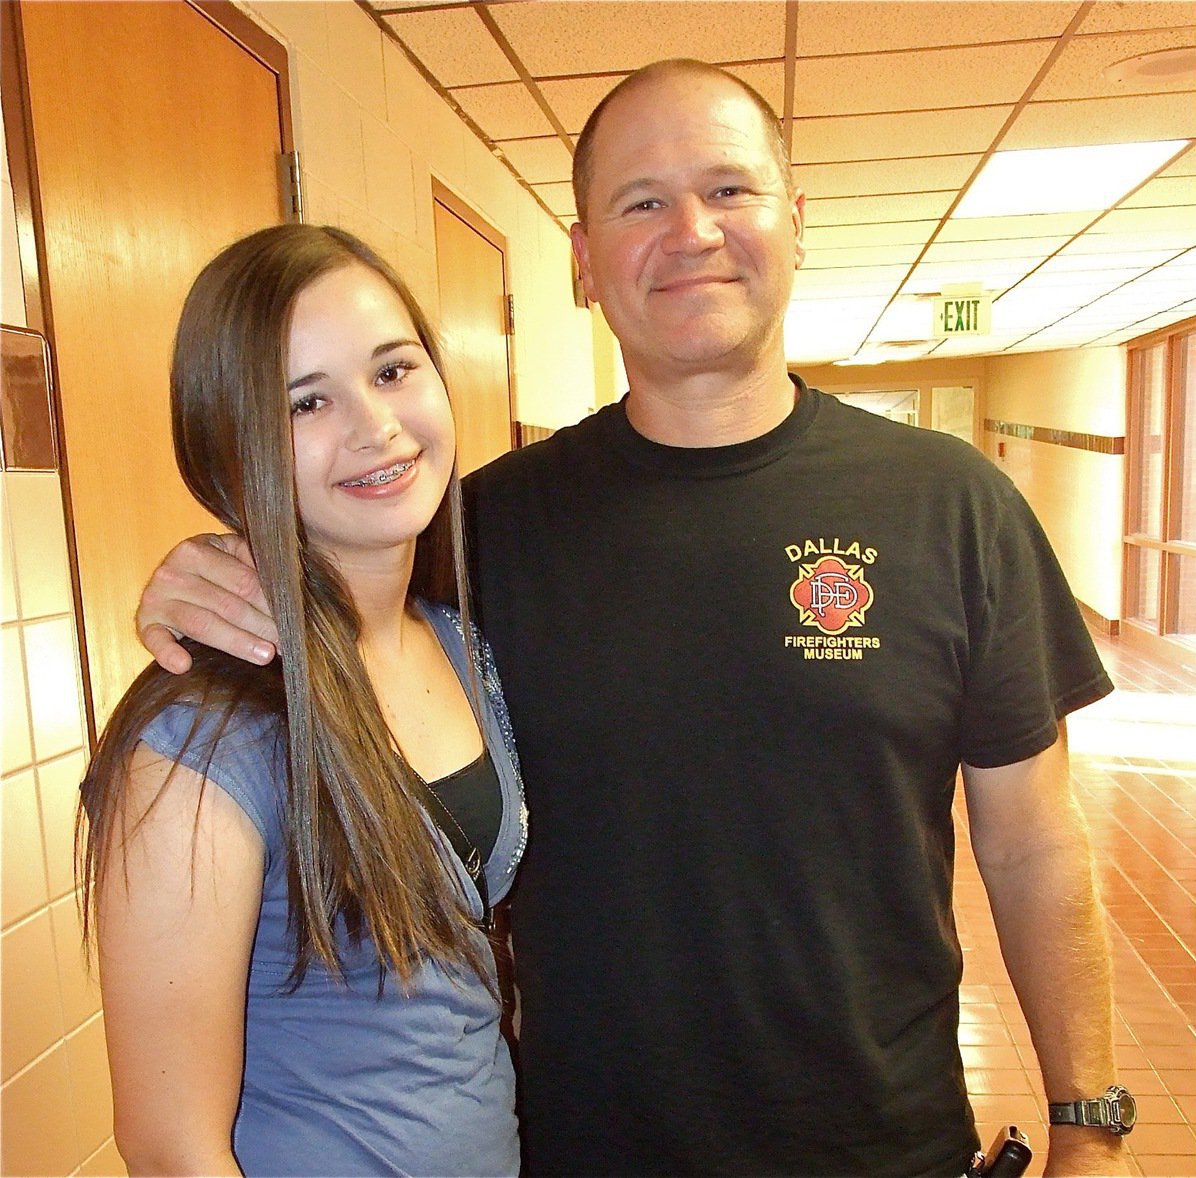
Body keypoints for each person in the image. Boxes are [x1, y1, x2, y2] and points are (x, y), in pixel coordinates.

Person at [134, 62, 1130, 1178]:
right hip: (578, 1150)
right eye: (642, 201)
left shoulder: (952, 506)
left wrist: (1088, 1121)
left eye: (729, 189)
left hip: (883, 1145)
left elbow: (1034, 840)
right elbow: (328, 600)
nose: (692, 231)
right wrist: (207, 571)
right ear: (582, 260)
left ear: (797, 222)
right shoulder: (475, 532)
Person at [79, 224, 526, 1177]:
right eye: (307, 401)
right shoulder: (202, 736)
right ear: (228, 448)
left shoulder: (457, 641)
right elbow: (170, 1149)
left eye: (393, 370)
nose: (375, 425)